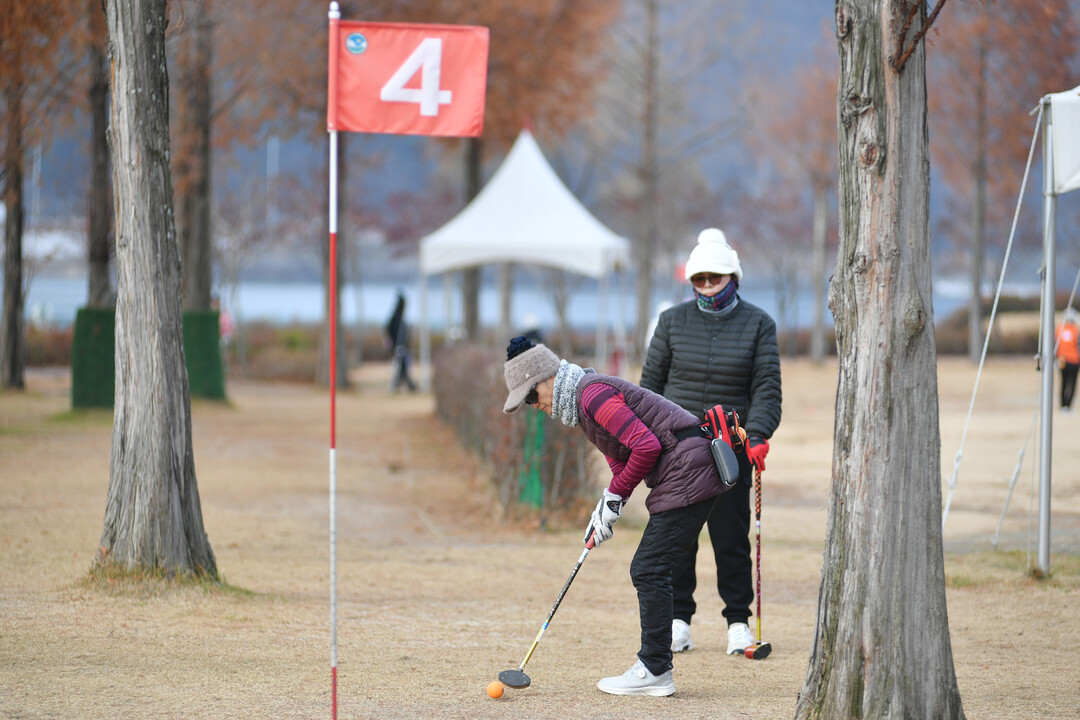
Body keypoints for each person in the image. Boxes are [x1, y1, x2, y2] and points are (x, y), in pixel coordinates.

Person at [502, 335, 734, 696]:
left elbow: (646, 447)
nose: (533, 406)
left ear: (546, 378)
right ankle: (655, 668)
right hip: (684, 470)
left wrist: (614, 496)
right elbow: (622, 461)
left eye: (530, 396)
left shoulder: (591, 396)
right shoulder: (583, 405)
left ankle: (654, 670)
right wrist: (606, 510)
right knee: (650, 567)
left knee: (649, 568)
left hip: (688, 469)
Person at [640, 227, 782, 657]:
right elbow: (650, 388)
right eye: (699, 279)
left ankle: (738, 623)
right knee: (677, 540)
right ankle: (678, 622)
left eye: (713, 278)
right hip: (678, 449)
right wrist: (647, 438)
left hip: (730, 449)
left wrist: (758, 434)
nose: (705, 285)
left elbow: (766, 388)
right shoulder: (670, 322)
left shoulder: (759, 324)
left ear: (732, 278)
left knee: (731, 538)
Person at [385, 292, 417, 392]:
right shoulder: (396, 316)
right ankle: (397, 386)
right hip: (398, 346)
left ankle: (405, 385)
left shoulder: (398, 316)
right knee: (399, 367)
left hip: (402, 346)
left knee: (402, 367)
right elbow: (390, 329)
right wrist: (394, 342)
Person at [1056, 308, 1080, 413]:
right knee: (1072, 383)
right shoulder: (1076, 330)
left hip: (1063, 361)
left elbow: (1055, 345)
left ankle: (1063, 405)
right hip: (1074, 361)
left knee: (1063, 382)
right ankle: (1068, 405)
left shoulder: (1059, 329)